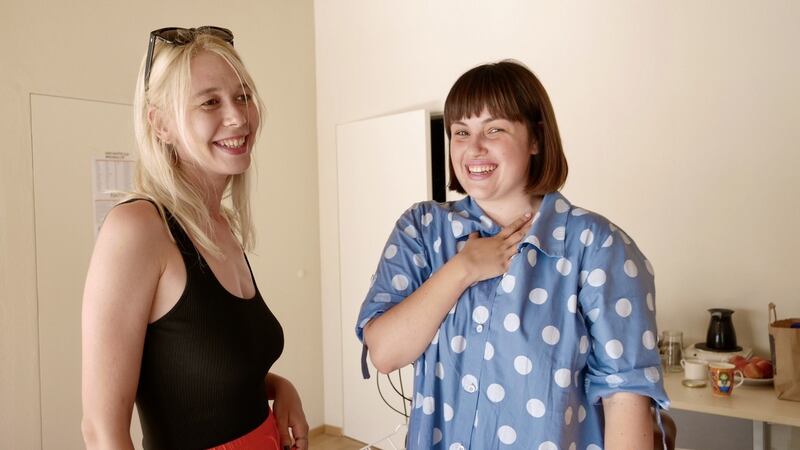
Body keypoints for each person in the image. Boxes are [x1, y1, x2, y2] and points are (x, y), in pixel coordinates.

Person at [356, 60, 669, 450]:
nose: (474, 148)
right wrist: (462, 269)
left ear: (535, 138)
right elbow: (384, 353)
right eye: (461, 132)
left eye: (495, 129)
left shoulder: (597, 246)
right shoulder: (422, 229)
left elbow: (626, 399)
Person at [81, 27, 308, 450]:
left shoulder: (220, 224)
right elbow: (101, 430)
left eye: (242, 96)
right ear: (160, 124)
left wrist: (280, 387)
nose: (238, 116)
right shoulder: (138, 229)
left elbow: (202, 375)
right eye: (210, 102)